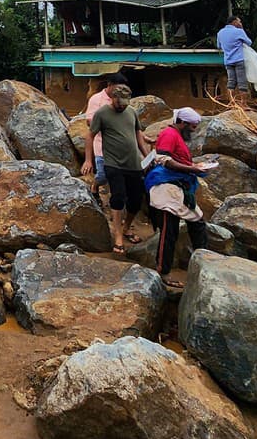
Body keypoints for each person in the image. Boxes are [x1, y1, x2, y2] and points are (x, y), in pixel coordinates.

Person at [146, 107, 212, 288]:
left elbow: (177, 158)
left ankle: (204, 263)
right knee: (169, 231)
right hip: (166, 188)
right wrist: (193, 169)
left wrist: (194, 165)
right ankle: (163, 272)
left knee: (197, 222)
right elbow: (163, 159)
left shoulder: (175, 135)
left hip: (178, 188)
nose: (193, 131)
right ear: (182, 123)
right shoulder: (169, 134)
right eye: (191, 127)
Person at [86, 83, 152, 254]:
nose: (122, 106)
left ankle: (127, 227)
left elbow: (137, 134)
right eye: (119, 102)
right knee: (118, 197)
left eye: (125, 103)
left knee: (136, 200)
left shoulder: (131, 112)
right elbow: (90, 135)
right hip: (113, 163)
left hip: (133, 163)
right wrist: (88, 160)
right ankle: (118, 237)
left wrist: (147, 155)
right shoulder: (102, 113)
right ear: (113, 98)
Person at [78, 72, 129, 199]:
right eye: (118, 88)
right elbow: (89, 121)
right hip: (102, 143)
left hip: (119, 144)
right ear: (109, 85)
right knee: (103, 175)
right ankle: (95, 186)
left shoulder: (122, 99)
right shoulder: (97, 99)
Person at [216, 14, 253, 104]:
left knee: (231, 82)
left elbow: (219, 46)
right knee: (242, 83)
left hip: (228, 61)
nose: (240, 23)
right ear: (234, 22)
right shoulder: (239, 32)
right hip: (238, 60)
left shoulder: (220, 32)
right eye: (239, 21)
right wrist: (242, 29)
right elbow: (249, 42)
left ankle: (232, 103)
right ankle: (243, 104)